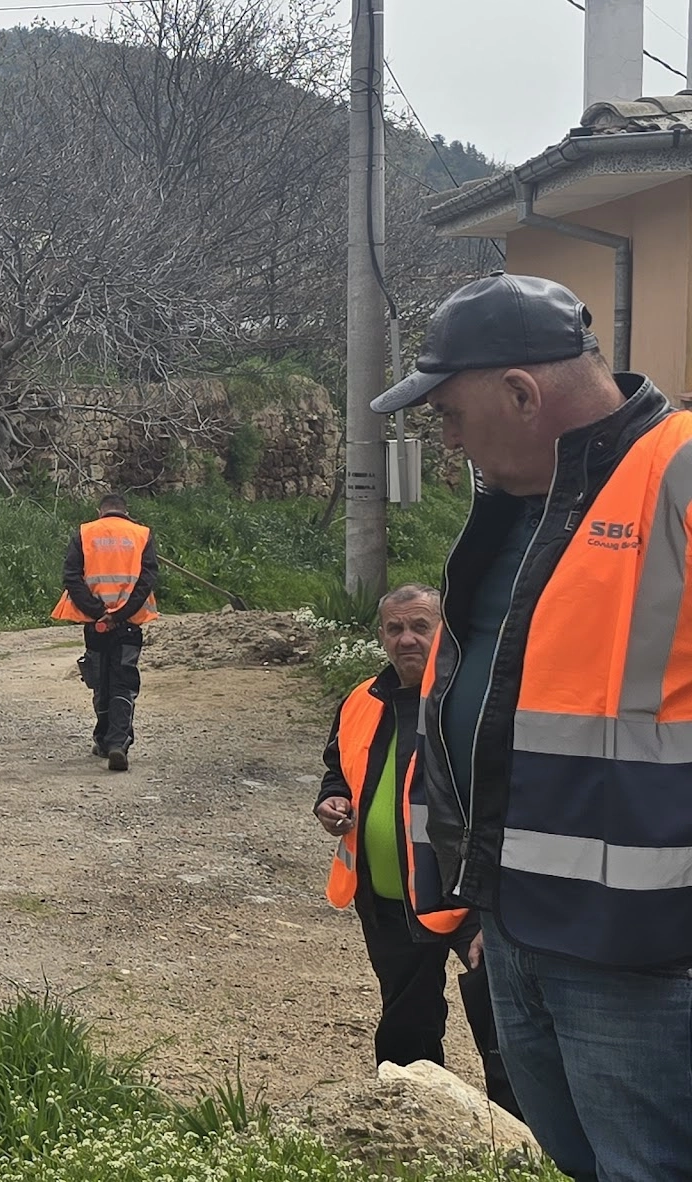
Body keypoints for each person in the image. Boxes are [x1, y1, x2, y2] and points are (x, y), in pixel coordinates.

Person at [375, 271, 692, 1181]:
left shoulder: (676, 474)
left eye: (450, 414)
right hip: (517, 926)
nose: (447, 438)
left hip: (643, 950)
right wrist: (476, 899)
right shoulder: (519, 505)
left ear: (521, 394)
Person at [316, 584, 517, 1114]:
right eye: (395, 628)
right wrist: (332, 798)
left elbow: (509, 796)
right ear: (381, 635)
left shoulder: (474, 698)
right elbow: (339, 767)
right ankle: (410, 1123)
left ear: (443, 630)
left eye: (419, 627)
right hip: (387, 895)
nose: (406, 639)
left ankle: (522, 1134)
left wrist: (491, 906)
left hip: (466, 897)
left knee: (502, 1021)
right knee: (407, 1022)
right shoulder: (361, 700)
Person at [52, 493, 156, 771]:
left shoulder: (85, 533)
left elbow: (71, 576)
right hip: (128, 623)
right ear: (125, 511)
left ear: (100, 511)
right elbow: (146, 581)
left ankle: (103, 739)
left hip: (95, 624)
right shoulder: (142, 534)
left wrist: (98, 612)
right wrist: (118, 615)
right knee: (123, 681)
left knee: (100, 680)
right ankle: (117, 742)